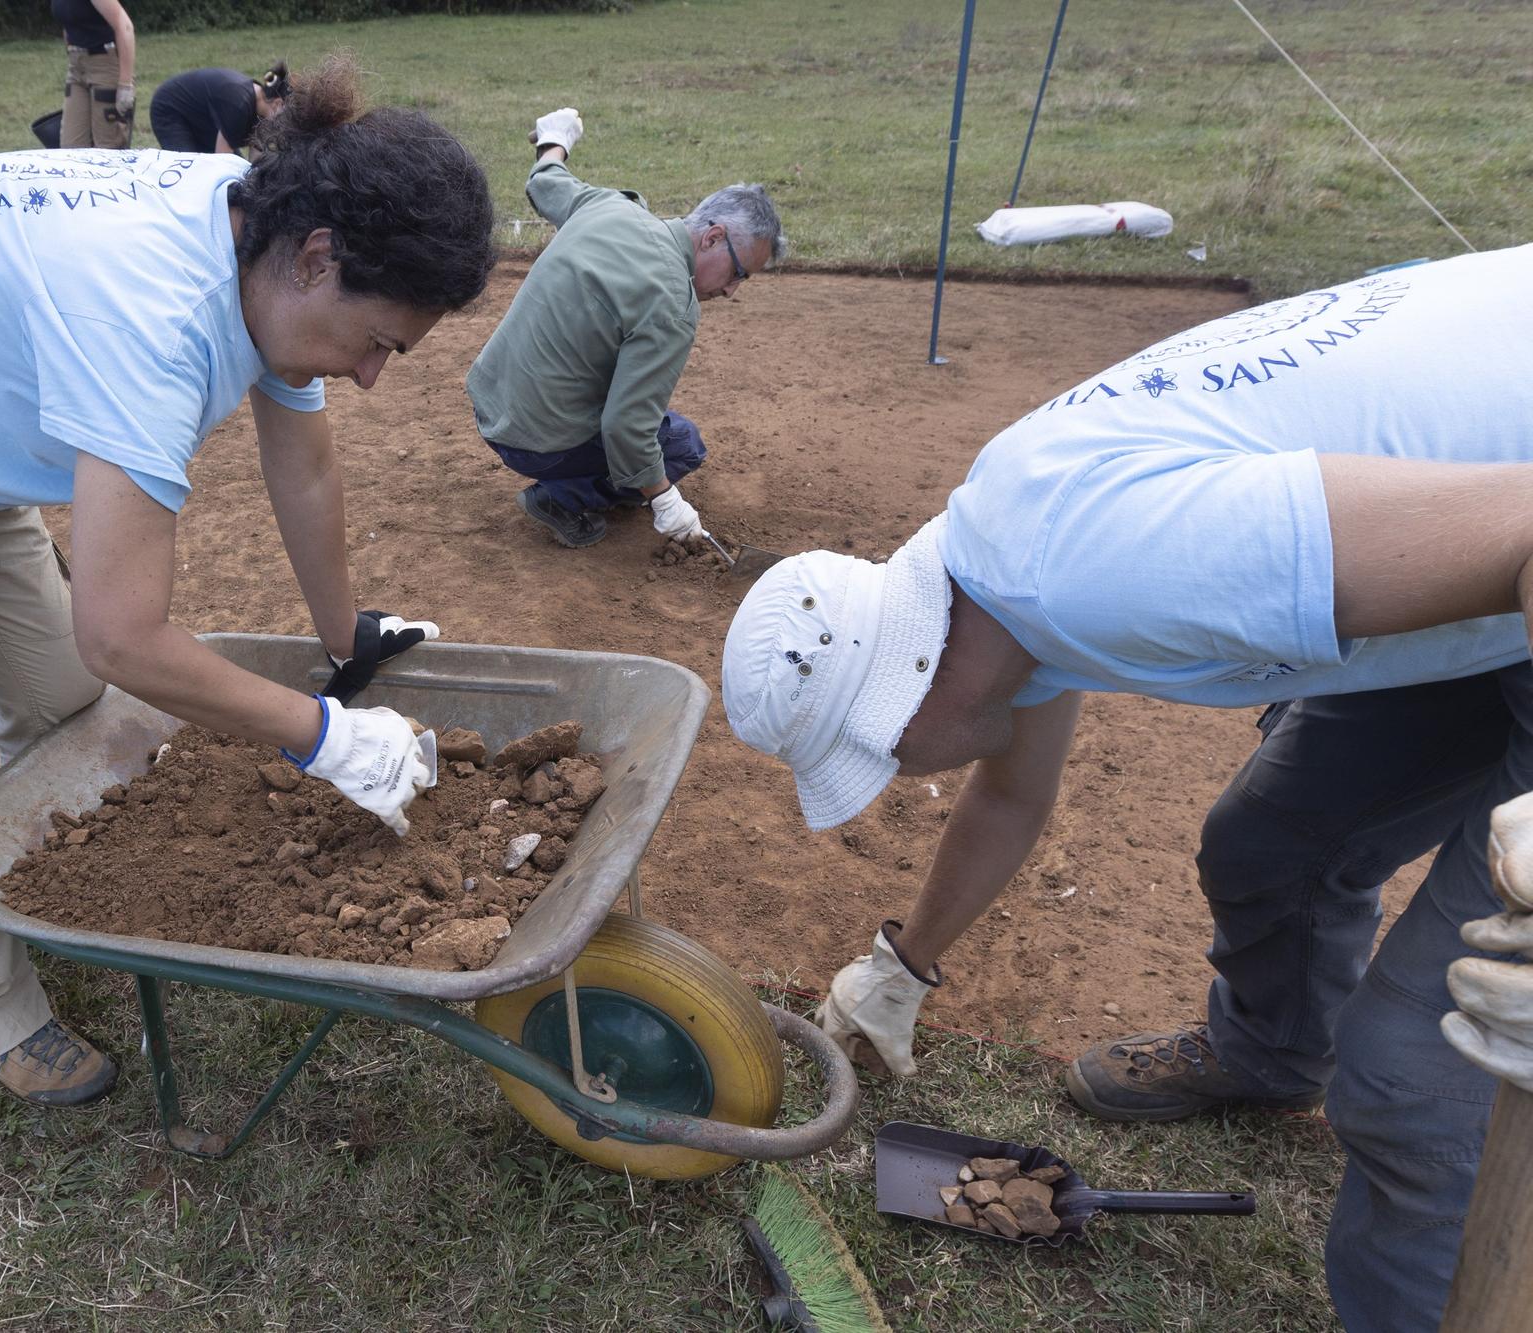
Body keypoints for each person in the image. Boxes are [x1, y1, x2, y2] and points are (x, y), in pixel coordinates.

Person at [719, 245, 1533, 1331]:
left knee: (1410, 1076)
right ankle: (1267, 1054)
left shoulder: (1105, 568)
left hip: (1507, 542)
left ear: (902, 699)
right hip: (1466, 577)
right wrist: (898, 965)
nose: (899, 774)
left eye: (875, 757)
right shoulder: (993, 583)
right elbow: (1010, 796)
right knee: (1267, 845)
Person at [0, 57, 495, 1111]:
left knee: (62, 697)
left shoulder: (257, 225)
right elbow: (125, 635)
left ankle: (28, 885)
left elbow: (304, 461)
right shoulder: (149, 319)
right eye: (380, 342)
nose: (375, 374)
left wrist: (347, 643)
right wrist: (327, 738)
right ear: (319, 258)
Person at [465, 107, 785, 550]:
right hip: (534, 441)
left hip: (488, 403)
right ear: (712, 238)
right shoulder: (673, 303)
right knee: (681, 444)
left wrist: (555, 137)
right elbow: (627, 429)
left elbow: (545, 181)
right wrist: (665, 499)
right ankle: (561, 498)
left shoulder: (610, 206)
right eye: (739, 273)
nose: (732, 290)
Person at [150, 62, 290, 155]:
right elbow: (221, 162)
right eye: (285, 115)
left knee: (237, 167)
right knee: (190, 169)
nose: (282, 123)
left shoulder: (260, 107)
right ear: (277, 103)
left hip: (202, 119)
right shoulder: (239, 106)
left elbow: (256, 155)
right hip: (170, 109)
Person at [55, 0, 136, 149]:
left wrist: (125, 84)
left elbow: (124, 26)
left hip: (105, 64)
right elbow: (68, 24)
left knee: (108, 148)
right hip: (76, 66)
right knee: (70, 148)